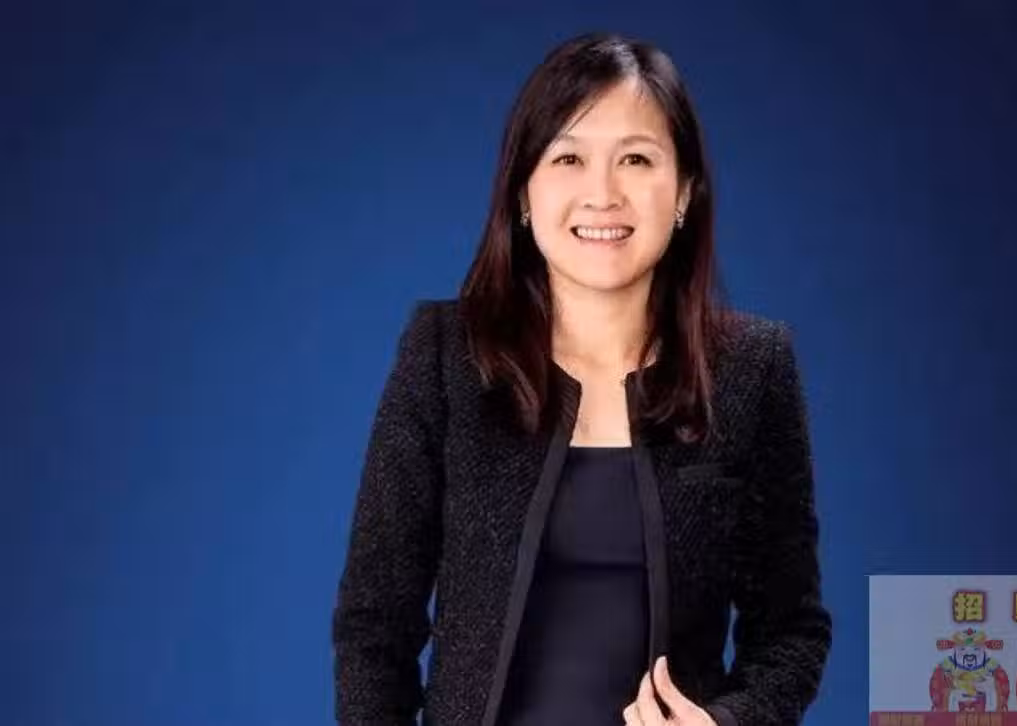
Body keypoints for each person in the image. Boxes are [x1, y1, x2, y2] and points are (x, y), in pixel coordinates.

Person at [332, 32, 832, 726]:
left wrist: (729, 722)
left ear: (685, 192)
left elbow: (791, 632)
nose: (602, 194)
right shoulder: (445, 356)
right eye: (568, 158)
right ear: (524, 193)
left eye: (636, 159)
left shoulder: (753, 368)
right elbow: (373, 626)